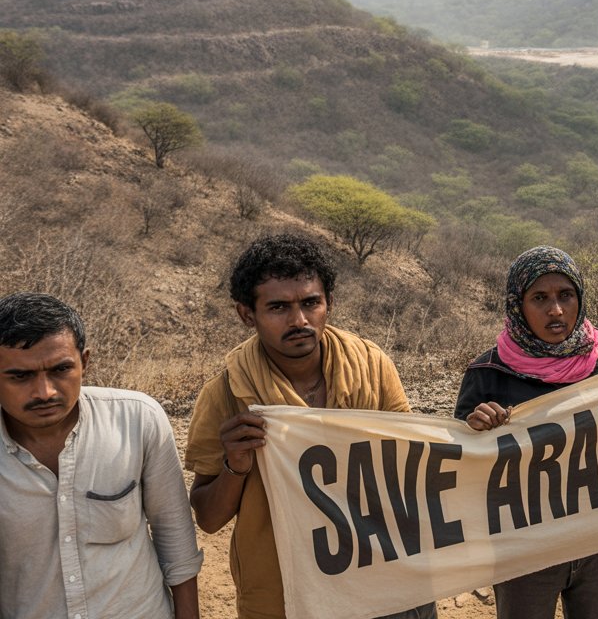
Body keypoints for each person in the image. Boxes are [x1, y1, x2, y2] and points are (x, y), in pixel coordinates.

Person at [185, 234, 436, 619]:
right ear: (246, 314)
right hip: (286, 591)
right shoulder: (227, 394)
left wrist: (477, 435)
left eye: (310, 303)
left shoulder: (370, 366)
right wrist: (235, 465)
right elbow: (209, 518)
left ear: (329, 303)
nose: (299, 320)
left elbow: (411, 463)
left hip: (385, 577)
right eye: (278, 307)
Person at [0, 292, 203, 619]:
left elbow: (174, 535)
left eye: (60, 369)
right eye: (20, 376)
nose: (45, 392)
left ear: (86, 362)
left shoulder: (138, 419)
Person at [455, 245, 598, 619]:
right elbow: (457, 465)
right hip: (523, 547)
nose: (556, 310)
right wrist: (477, 430)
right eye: (540, 298)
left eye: (566, 295)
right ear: (518, 305)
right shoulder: (487, 374)